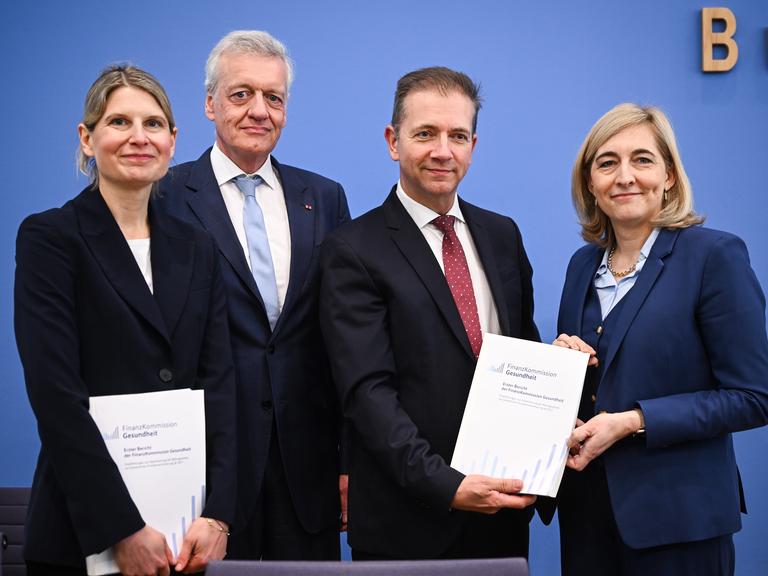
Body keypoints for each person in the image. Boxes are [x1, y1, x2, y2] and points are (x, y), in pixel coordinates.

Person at [14, 65, 236, 576]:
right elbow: (55, 396)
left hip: (187, 539)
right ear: (87, 138)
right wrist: (121, 529)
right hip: (84, 537)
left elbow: (221, 386)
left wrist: (219, 516)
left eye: (153, 124)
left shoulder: (197, 247)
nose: (139, 137)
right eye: (119, 122)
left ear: (173, 140)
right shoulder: (51, 239)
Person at [319, 66, 538, 560]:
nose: (443, 150)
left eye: (457, 135)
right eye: (425, 134)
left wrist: (561, 368)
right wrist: (448, 485)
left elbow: (522, 355)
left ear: (473, 146)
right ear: (393, 141)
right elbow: (368, 395)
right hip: (408, 520)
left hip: (501, 512)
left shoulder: (502, 235)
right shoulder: (353, 250)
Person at [157, 30, 350, 560]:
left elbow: (342, 339)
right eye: (241, 94)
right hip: (200, 468)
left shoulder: (324, 198)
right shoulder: (163, 195)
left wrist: (348, 461)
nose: (259, 111)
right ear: (210, 104)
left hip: (306, 467)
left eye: (274, 97)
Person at [553, 103, 768, 575]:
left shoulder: (714, 256)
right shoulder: (580, 266)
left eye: (642, 160)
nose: (625, 176)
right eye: (607, 163)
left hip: (680, 523)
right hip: (587, 518)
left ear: (669, 175)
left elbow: (754, 397)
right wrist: (559, 366)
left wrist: (635, 421)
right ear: (590, 183)